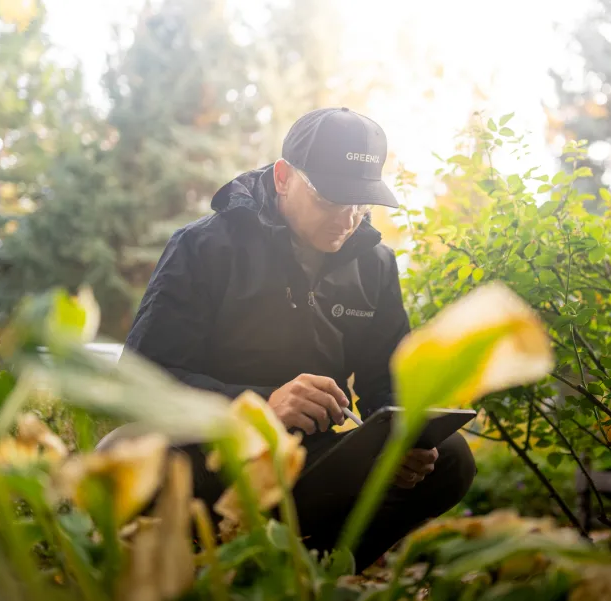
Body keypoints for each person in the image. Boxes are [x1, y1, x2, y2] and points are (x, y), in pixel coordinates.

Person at [121, 107, 476, 570]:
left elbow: (385, 383)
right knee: (147, 465)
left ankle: (312, 571)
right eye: (331, 199)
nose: (348, 218)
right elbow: (141, 377)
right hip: (210, 457)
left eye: (361, 201)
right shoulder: (205, 248)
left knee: (450, 459)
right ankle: (222, 566)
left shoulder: (376, 266)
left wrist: (407, 440)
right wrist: (260, 405)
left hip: (310, 462)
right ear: (285, 177)